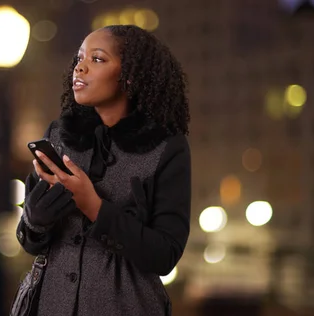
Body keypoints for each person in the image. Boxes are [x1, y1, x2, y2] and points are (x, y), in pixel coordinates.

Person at [16, 24, 191, 316]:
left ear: (131, 76)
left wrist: (94, 206)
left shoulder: (167, 148)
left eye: (97, 59)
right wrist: (36, 219)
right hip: (49, 304)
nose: (80, 68)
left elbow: (166, 254)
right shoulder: (59, 136)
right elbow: (29, 241)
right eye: (79, 58)